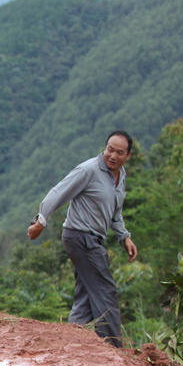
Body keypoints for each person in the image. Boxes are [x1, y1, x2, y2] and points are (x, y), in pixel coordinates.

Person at [27, 130, 139, 347]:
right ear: (104, 148)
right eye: (110, 149)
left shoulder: (120, 176)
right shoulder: (89, 170)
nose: (113, 155)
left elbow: (115, 213)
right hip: (80, 236)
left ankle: (69, 341)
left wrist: (125, 237)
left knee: (87, 294)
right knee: (105, 290)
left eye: (119, 152)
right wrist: (41, 221)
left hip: (94, 238)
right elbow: (59, 192)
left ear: (128, 156)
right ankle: (112, 346)